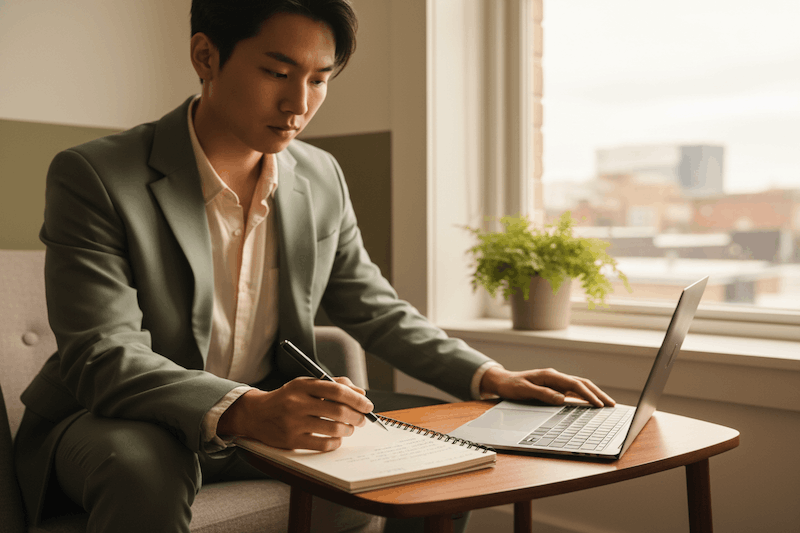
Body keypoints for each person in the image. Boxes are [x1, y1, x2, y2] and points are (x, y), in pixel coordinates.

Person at [14, 1, 615, 532]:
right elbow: (104, 354)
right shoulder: (96, 174)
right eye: (277, 73)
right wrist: (247, 407)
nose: (299, 104)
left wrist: (489, 377)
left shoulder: (320, 176)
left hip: (264, 419)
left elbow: (373, 306)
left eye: (319, 79)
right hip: (118, 419)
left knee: (450, 445)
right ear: (206, 55)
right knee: (142, 466)